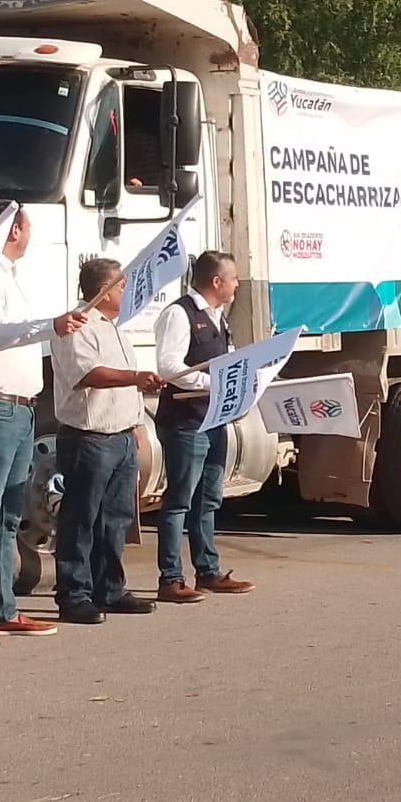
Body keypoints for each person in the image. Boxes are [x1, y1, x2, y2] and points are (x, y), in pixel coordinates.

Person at [0, 200, 88, 651]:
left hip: (20, 409)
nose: (30, 233)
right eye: (27, 225)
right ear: (12, 230)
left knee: (7, 517)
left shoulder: (7, 275)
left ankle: (1, 610)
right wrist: (50, 325)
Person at [48, 258, 163, 625]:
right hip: (89, 436)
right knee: (81, 518)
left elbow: (126, 388)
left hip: (121, 436)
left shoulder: (115, 328)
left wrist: (137, 425)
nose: (125, 292)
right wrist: (135, 377)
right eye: (121, 287)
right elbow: (89, 375)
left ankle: (110, 589)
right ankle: (73, 594)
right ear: (103, 290)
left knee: (115, 519)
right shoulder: (77, 325)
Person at [153, 250, 255, 602]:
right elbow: (169, 368)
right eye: (234, 279)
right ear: (216, 282)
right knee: (180, 499)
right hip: (185, 422)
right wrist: (214, 385)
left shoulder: (217, 317)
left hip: (214, 420)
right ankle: (170, 578)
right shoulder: (180, 314)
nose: (237, 284)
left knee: (208, 499)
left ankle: (208, 571)